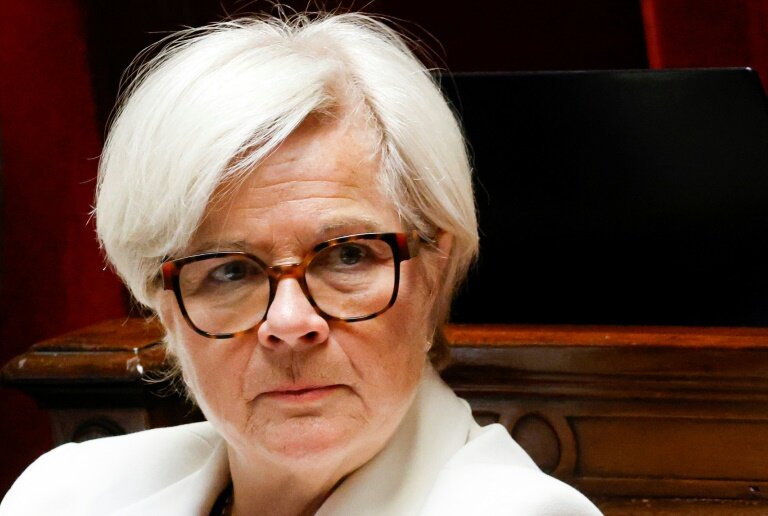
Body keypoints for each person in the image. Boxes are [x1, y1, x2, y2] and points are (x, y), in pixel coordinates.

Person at [0, 12, 601, 516]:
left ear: (434, 269)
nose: (289, 322)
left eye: (347, 255)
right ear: (164, 306)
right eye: (230, 271)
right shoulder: (66, 496)